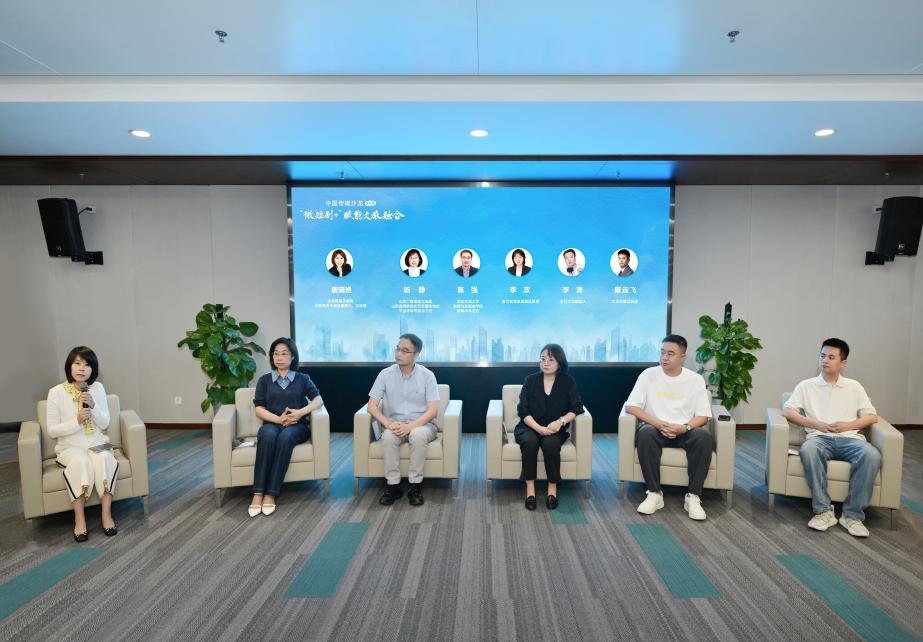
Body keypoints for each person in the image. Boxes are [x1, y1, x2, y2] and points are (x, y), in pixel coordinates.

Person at [782, 338, 880, 538]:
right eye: (822, 356)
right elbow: (788, 411)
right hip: (819, 438)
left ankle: (852, 516)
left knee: (871, 455)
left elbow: (872, 416)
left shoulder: (854, 387)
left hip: (850, 439)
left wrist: (848, 425)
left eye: (831, 357)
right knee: (808, 450)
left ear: (843, 362)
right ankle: (823, 511)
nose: (825, 360)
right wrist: (815, 424)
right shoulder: (806, 385)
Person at [624, 334, 713, 521]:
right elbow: (631, 407)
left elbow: (703, 416)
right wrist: (657, 423)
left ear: (682, 357)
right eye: (662, 352)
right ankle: (654, 493)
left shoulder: (695, 380)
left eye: (670, 354)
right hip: (656, 429)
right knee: (645, 433)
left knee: (703, 436)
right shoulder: (648, 375)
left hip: (684, 430)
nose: (664, 357)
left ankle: (693, 496)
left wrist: (684, 428)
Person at [46, 346, 117, 541]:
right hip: (70, 448)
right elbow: (52, 430)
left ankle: (106, 515)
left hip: (97, 442)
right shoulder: (55, 393)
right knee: (81, 462)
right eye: (77, 363)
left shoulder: (97, 388)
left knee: (105, 458)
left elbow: (105, 423)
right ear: (69, 366)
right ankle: (80, 519)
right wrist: (76, 421)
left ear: (93, 369)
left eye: (87, 365)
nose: (81, 368)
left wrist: (93, 406)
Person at [249, 337, 324, 517]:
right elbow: (259, 409)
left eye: (284, 354)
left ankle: (271, 494)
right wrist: (278, 419)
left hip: (297, 426)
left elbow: (318, 400)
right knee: (266, 436)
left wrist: (300, 413)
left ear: (292, 357)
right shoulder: (264, 380)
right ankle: (258, 493)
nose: (279, 358)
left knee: (285, 438)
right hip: (272, 423)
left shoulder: (302, 378)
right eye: (276, 354)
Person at [367, 333, 439, 506]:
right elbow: (372, 406)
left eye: (405, 351)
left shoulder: (427, 375)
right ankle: (393, 485)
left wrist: (410, 427)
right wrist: (388, 423)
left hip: (423, 425)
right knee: (388, 436)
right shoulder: (385, 374)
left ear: (416, 355)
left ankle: (415, 485)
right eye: (397, 349)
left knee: (417, 435)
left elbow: (432, 411)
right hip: (396, 424)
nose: (399, 354)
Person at [515, 344, 584, 511]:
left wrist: (560, 421)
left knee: (550, 444)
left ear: (560, 363)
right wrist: (538, 428)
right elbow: (522, 411)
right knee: (530, 443)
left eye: (551, 360)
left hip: (554, 429)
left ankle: (552, 490)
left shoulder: (568, 382)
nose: (545, 363)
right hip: (529, 426)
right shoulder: (530, 380)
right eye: (543, 359)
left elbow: (576, 408)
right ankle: (530, 491)